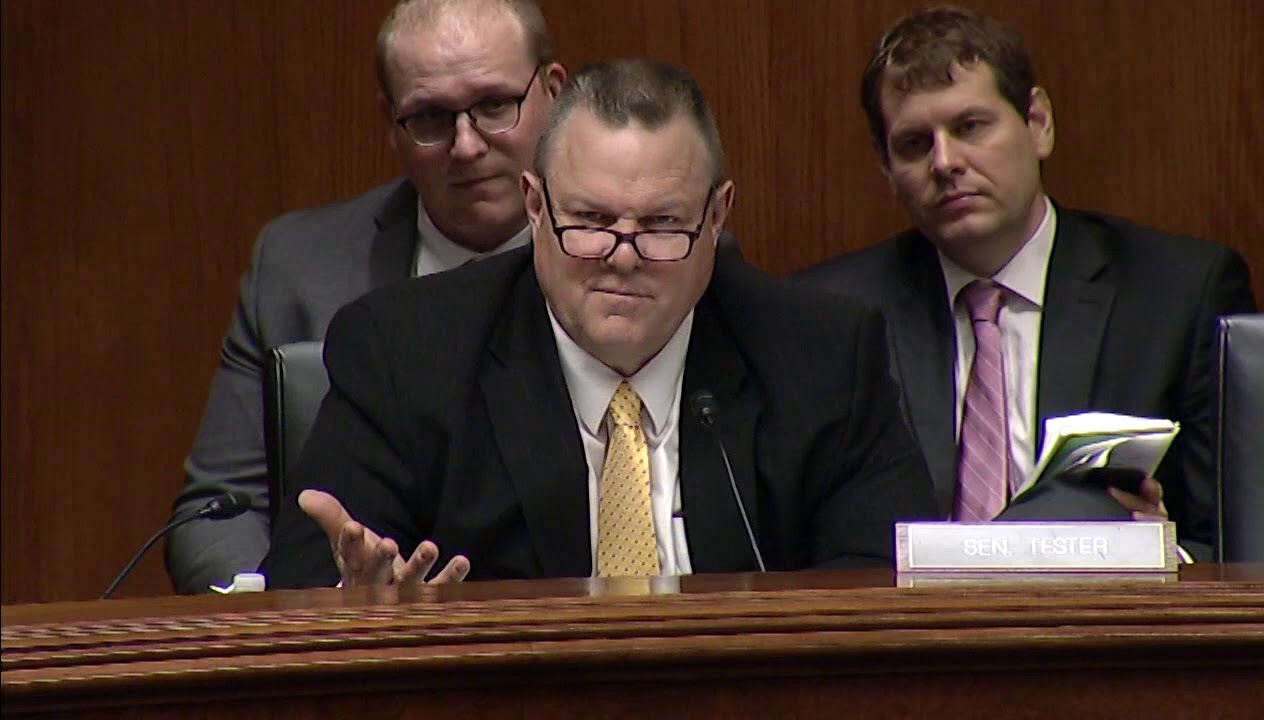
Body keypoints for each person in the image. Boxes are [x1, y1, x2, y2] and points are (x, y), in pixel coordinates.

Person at [259, 58, 939, 589]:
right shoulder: (405, 354)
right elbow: (304, 584)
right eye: (589, 221)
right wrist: (359, 605)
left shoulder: (824, 356)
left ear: (717, 216)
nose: (623, 258)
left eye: (662, 224)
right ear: (535, 206)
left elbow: (887, 595)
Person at [795, 6, 1255, 560]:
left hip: (1108, 611)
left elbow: (1236, 544)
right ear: (886, 167)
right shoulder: (834, 316)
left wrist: (1161, 554)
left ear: (1038, 123)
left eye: (970, 127)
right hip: (906, 612)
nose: (945, 162)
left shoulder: (1177, 293)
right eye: (915, 143)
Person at [165, 0, 567, 594]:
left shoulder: (628, 260)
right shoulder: (300, 270)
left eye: (493, 106)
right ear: (391, 121)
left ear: (554, 94)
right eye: (430, 117)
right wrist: (294, 612)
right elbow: (219, 511)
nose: (466, 145)